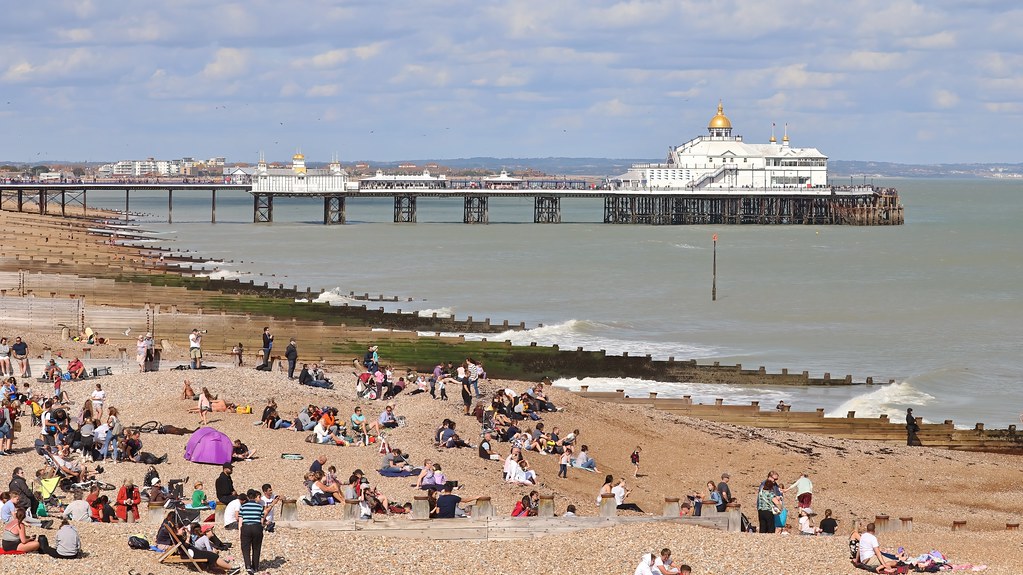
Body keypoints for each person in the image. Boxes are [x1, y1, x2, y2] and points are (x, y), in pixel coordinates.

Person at [239, 488, 265, 574]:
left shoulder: (243, 507)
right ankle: (255, 566)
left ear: (247, 497)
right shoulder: (259, 507)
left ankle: (248, 566)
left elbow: (240, 520)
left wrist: (240, 531)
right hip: (257, 527)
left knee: (245, 547)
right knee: (256, 547)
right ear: (255, 496)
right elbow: (261, 520)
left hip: (246, 527)